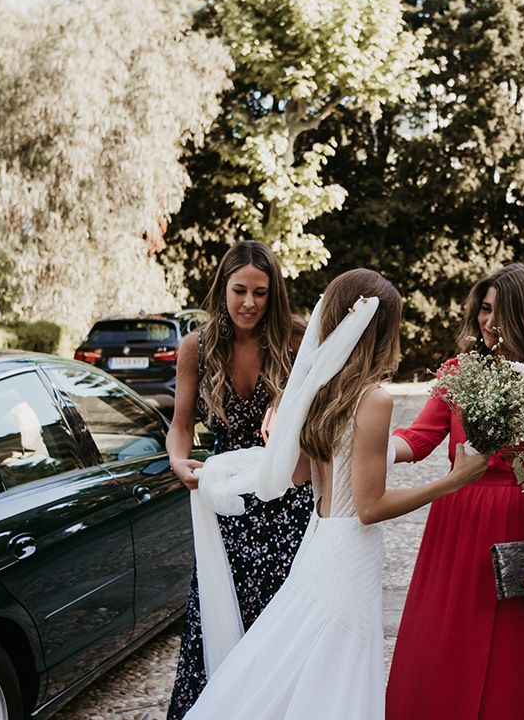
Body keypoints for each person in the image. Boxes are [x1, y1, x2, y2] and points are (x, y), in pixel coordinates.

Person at [183, 268, 490, 720]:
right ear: (381, 330)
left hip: (319, 541)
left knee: (296, 662)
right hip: (348, 552)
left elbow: (302, 474)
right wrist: (454, 480)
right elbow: (369, 508)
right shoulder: (372, 399)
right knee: (333, 669)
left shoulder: (319, 390)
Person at [386, 262, 524, 720]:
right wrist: (366, 449)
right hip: (454, 522)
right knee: (438, 647)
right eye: (485, 310)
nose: (490, 323)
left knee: (510, 663)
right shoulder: (458, 370)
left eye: (502, 312)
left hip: (519, 524)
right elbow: (418, 437)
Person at [166, 241, 313, 720]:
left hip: (286, 500)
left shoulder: (296, 339)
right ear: (222, 290)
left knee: (281, 618)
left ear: (274, 294)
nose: (249, 302)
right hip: (227, 503)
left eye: (261, 292)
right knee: (218, 611)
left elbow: (329, 409)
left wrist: (291, 404)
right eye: (239, 291)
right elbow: (182, 425)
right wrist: (178, 461)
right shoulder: (197, 346)